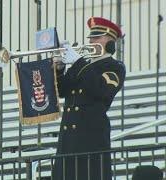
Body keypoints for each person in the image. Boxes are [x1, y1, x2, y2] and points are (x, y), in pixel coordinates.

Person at [52, 17, 126, 180]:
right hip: (68, 142)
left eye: (97, 37)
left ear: (110, 42)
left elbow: (101, 90)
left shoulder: (115, 67)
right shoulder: (83, 65)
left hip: (91, 138)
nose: (91, 40)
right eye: (91, 37)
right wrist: (59, 69)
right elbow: (62, 91)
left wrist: (77, 61)